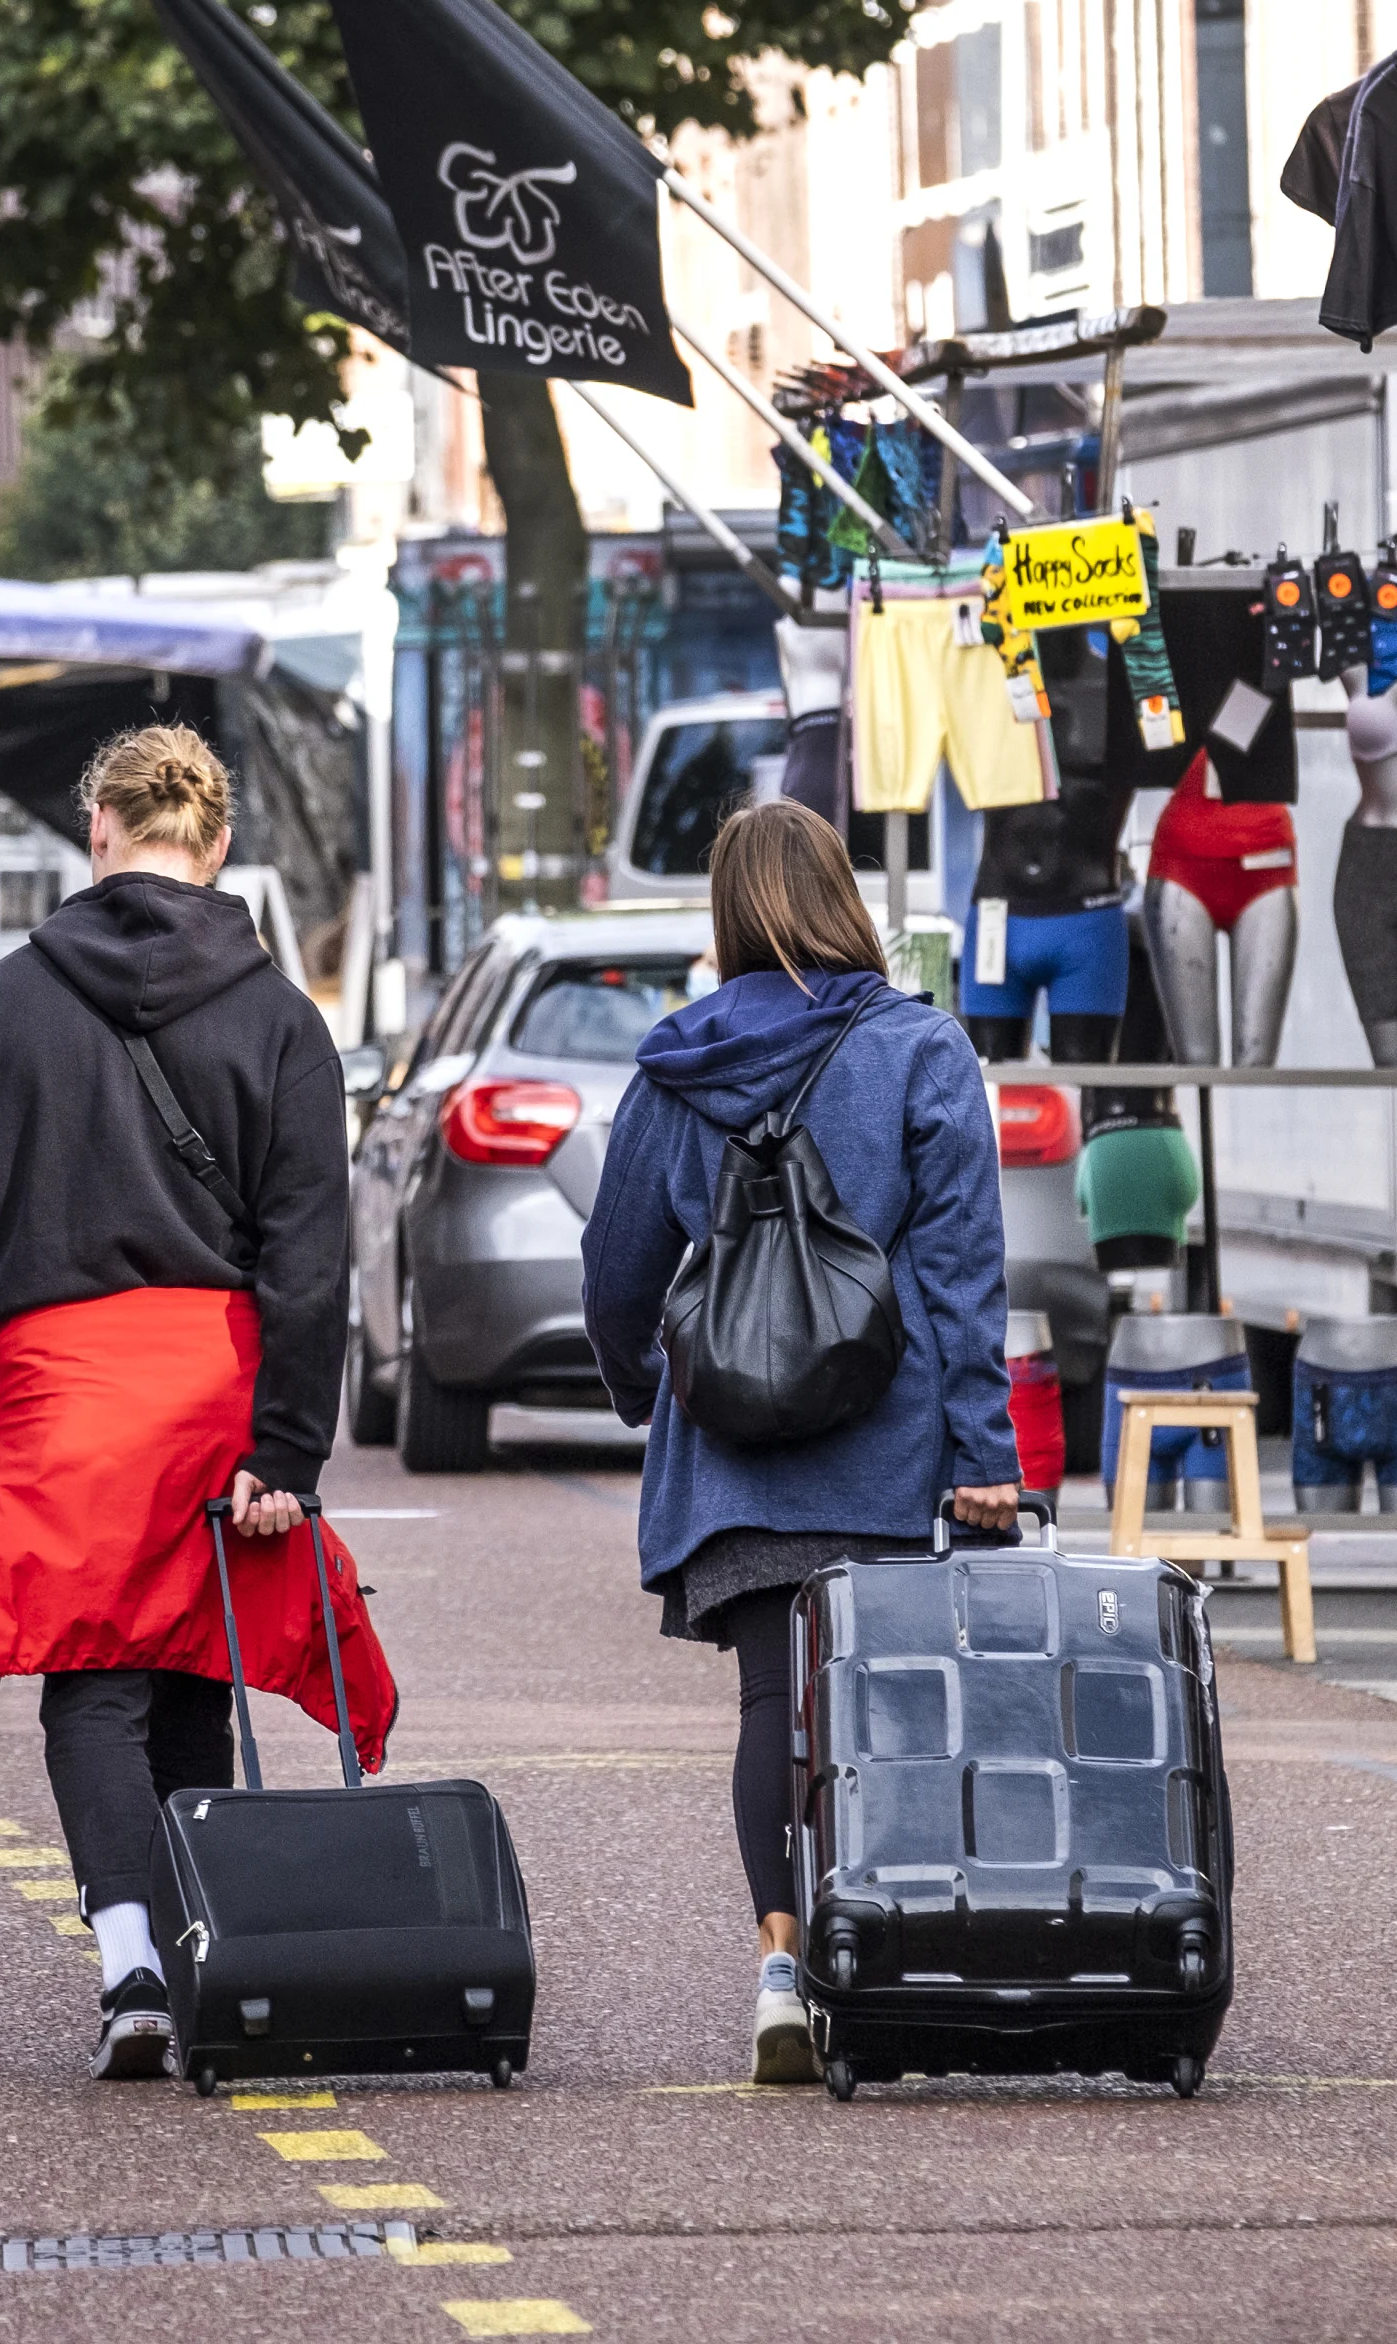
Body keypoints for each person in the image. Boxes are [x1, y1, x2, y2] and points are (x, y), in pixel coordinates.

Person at [0, 725, 385, 2082]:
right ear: (217, 845)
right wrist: (286, 1443)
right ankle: (203, 1946)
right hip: (217, 1380)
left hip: (69, 1390)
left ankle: (132, 1964)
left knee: (87, 1684)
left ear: (98, 828)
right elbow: (310, 1252)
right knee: (188, 1671)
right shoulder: (284, 1018)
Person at [576, 800, 1024, 2087]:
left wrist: (640, 1390)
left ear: (725, 913)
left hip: (736, 1451)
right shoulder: (921, 1050)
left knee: (772, 1703)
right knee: (886, 1709)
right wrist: (982, 1447)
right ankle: (891, 1941)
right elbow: (957, 1269)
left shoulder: (673, 1066)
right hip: (887, 1448)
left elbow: (616, 1274)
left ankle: (782, 1957)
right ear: (845, 899)